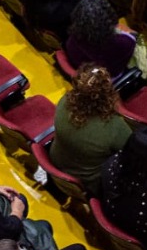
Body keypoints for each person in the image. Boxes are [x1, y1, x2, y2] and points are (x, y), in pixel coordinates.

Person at [50, 63, 131, 194]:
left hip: (57, 161)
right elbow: (132, 151)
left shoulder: (64, 101)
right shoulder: (114, 127)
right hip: (88, 181)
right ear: (109, 94)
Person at [65, 0, 135, 76]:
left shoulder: (71, 42)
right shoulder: (126, 42)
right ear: (109, 16)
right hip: (113, 75)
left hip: (93, 78)